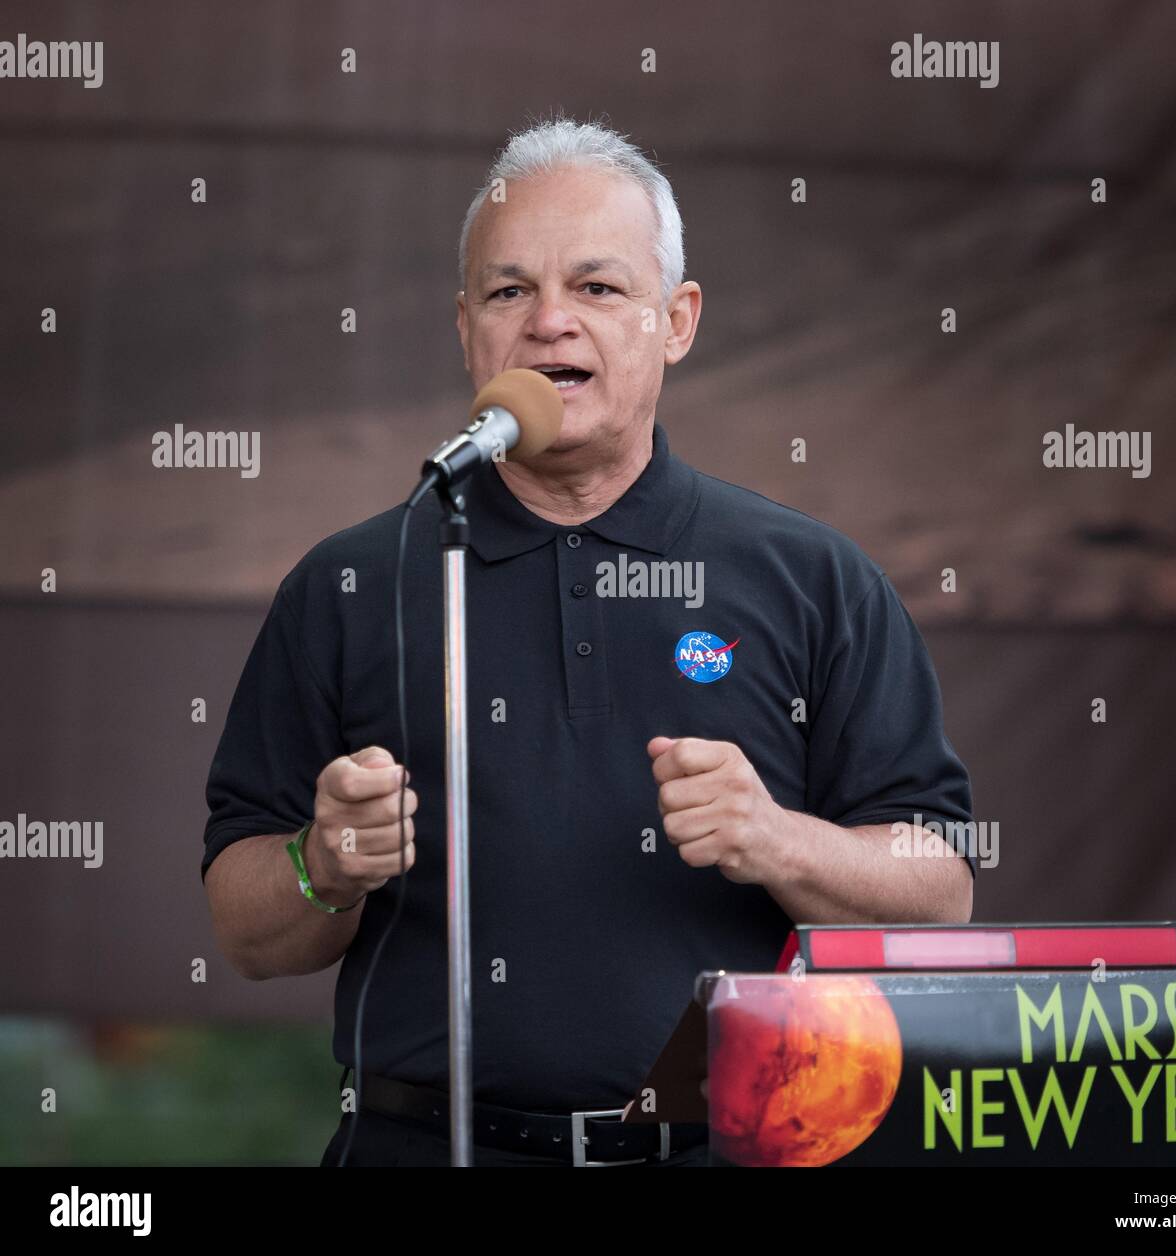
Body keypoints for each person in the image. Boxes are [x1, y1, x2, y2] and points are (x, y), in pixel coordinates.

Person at [201, 115, 976, 1168]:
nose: (549, 323)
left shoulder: (812, 577)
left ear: (677, 319)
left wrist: (776, 837)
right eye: (508, 291)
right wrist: (321, 861)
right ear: (466, 325)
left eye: (598, 288)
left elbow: (939, 890)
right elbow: (245, 932)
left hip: (728, 1144)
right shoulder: (352, 581)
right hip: (419, 1143)